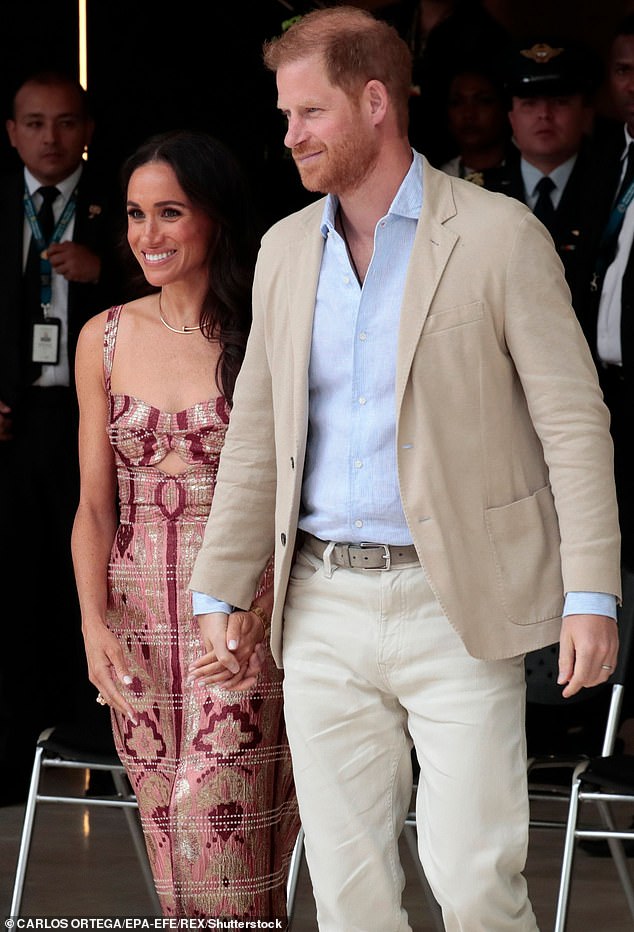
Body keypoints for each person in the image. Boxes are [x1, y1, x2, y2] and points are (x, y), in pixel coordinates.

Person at [189, 7, 620, 931]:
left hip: (455, 603)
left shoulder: (500, 236)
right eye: (285, 115)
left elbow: (574, 424)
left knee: (473, 882)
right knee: (348, 895)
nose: (290, 135)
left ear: (375, 101)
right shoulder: (281, 251)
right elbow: (258, 433)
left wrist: (592, 591)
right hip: (320, 603)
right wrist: (220, 588)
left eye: (309, 113)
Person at [70, 130, 299, 918]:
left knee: (221, 842)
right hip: (136, 627)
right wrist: (93, 625)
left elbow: (291, 500)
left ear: (217, 219)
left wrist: (261, 616)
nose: (148, 235)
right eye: (137, 214)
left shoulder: (267, 331)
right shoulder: (101, 338)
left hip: (234, 624)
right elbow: (95, 506)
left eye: (171, 212)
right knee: (173, 854)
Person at [0, 70, 124, 805]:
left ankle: (101, 748)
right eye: (35, 123)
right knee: (13, 588)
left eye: (67, 122)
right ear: (11, 132)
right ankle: (11, 755)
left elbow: (170, 291)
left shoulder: (119, 206)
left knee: (93, 581)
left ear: (88, 130)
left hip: (91, 424)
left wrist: (102, 272)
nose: (51, 137)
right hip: (13, 430)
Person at [500, 39, 602, 292]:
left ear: (586, 114)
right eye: (529, 104)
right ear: (512, 119)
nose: (544, 114)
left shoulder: (608, 189)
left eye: (560, 101)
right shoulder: (483, 191)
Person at [439, 59, 512, 190]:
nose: (468, 114)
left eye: (483, 101)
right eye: (457, 102)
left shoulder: (530, 174)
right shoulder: (438, 180)